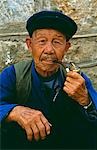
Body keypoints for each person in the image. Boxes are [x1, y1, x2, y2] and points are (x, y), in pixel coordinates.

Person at [0, 10, 97, 149]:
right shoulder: (13, 75)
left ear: (66, 48)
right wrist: (15, 111)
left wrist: (85, 101)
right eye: (42, 41)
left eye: (57, 42)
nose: (49, 50)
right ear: (29, 44)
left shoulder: (77, 79)